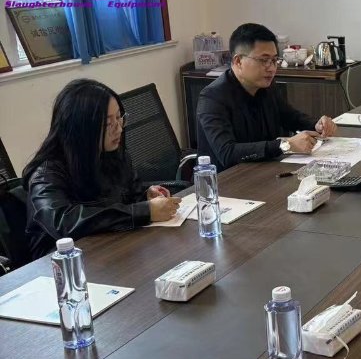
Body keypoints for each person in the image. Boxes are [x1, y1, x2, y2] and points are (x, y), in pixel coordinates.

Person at [23, 79, 181, 259]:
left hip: (113, 253)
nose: (119, 128)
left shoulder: (114, 155)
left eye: (119, 117)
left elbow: (126, 198)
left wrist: (146, 196)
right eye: (108, 123)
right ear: (81, 127)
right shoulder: (45, 175)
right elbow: (65, 223)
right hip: (62, 266)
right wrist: (144, 211)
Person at [196, 23, 337, 172]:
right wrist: (286, 145)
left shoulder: (266, 86)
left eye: (274, 60)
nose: (271, 68)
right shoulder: (212, 98)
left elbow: (290, 117)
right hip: (227, 180)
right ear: (238, 61)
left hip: (264, 171)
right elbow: (227, 153)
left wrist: (316, 125)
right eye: (264, 60)